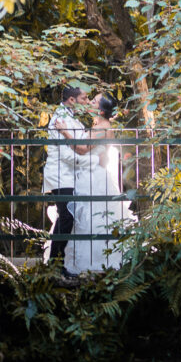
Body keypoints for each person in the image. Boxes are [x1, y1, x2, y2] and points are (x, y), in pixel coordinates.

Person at [64, 92, 136, 275]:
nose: (90, 102)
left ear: (101, 111)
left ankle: (94, 262)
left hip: (93, 177)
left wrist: (64, 132)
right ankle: (99, 260)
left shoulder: (101, 127)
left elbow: (82, 149)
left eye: (94, 101)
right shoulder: (102, 125)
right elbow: (103, 158)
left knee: (93, 216)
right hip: (97, 172)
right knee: (94, 215)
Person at [42, 86, 89, 265]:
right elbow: (65, 154)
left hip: (70, 174)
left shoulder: (70, 117)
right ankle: (55, 262)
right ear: (71, 100)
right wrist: (88, 161)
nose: (86, 102)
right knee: (66, 216)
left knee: (68, 217)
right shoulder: (59, 118)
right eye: (83, 99)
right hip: (60, 174)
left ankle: (58, 261)